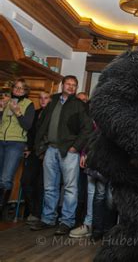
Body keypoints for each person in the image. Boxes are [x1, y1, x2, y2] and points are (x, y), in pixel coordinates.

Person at [30, 75, 93, 235]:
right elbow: (42, 123)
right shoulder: (53, 101)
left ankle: (67, 221)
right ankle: (48, 218)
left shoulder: (79, 105)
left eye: (74, 85)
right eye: (68, 84)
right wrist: (41, 148)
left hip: (69, 152)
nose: (71, 87)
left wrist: (75, 147)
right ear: (62, 85)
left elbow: (87, 129)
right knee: (50, 187)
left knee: (70, 188)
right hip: (50, 150)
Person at [0, 79, 35, 218]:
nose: (19, 90)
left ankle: (1, 209)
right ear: (13, 88)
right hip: (1, 140)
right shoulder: (7, 101)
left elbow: (28, 126)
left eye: (22, 88)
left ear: (26, 91)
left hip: (16, 143)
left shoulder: (29, 104)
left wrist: (18, 113)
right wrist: (1, 110)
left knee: (5, 179)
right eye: (16, 87)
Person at [21, 91, 50, 224]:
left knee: (40, 184)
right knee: (26, 181)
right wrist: (28, 148)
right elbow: (31, 132)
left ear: (50, 100)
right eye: (41, 98)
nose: (43, 100)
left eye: (46, 98)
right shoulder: (36, 113)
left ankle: (37, 214)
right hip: (33, 152)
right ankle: (32, 211)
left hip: (47, 153)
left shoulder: (53, 114)